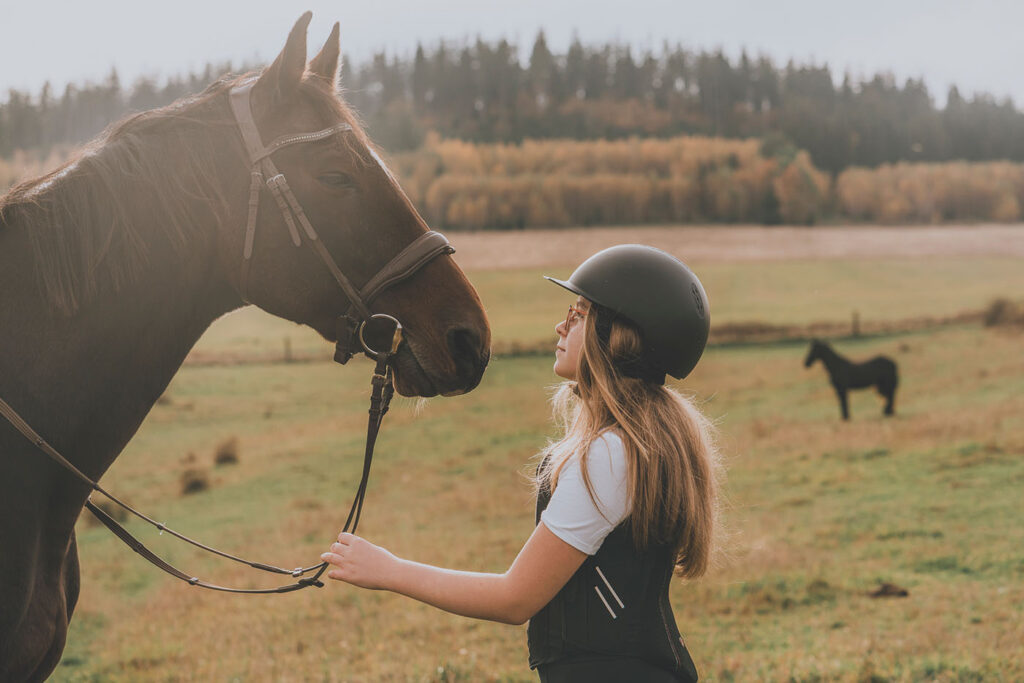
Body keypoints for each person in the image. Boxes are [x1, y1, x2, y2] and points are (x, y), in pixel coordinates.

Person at [321, 244, 722, 682]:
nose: (561, 324)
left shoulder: (610, 455)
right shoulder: (637, 445)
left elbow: (516, 598)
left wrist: (390, 570)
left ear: (619, 335)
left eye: (579, 314)